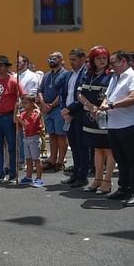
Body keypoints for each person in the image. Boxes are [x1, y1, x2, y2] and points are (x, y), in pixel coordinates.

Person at [97, 51, 134, 206]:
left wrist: (113, 105)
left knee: (133, 161)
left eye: (113, 62)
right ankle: (124, 189)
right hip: (114, 124)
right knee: (121, 160)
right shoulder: (115, 78)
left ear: (123, 61)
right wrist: (102, 106)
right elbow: (108, 96)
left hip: (129, 124)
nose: (111, 65)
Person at [77, 46, 115, 194]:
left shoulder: (111, 75)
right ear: (93, 60)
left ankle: (108, 180)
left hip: (105, 117)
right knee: (97, 148)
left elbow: (110, 95)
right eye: (98, 58)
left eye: (104, 58)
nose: (102, 61)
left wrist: (99, 109)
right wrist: (90, 106)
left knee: (109, 149)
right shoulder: (87, 74)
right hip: (90, 117)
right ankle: (98, 179)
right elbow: (79, 94)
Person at [60, 48, 90, 187]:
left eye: (74, 60)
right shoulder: (69, 75)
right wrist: (64, 111)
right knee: (74, 146)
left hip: (79, 114)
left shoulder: (86, 73)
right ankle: (76, 173)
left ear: (83, 59)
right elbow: (63, 94)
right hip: (68, 115)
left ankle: (83, 176)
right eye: (70, 59)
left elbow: (83, 96)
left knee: (81, 146)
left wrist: (70, 110)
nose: (71, 62)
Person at [38, 51, 69, 172]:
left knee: (61, 135)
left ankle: (60, 161)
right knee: (51, 135)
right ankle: (52, 159)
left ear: (61, 60)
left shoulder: (65, 75)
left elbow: (63, 93)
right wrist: (43, 103)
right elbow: (40, 90)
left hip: (58, 108)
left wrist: (51, 105)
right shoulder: (46, 75)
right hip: (47, 109)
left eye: (54, 58)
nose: (51, 61)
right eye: (49, 59)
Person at [16, 95, 45, 187]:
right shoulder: (24, 113)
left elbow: (30, 127)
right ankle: (28, 177)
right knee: (28, 159)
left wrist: (20, 120)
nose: (23, 105)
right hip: (26, 138)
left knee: (36, 159)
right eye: (23, 103)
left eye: (26, 103)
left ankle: (39, 178)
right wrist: (15, 109)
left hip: (34, 138)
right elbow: (15, 120)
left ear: (32, 103)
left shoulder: (35, 114)